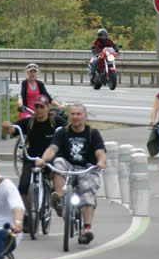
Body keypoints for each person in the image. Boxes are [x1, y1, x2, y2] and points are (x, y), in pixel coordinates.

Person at [35, 103, 106, 245]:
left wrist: (101, 162)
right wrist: (43, 159)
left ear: (85, 116)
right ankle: (59, 198)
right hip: (68, 167)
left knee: (87, 190)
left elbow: (100, 151)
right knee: (59, 162)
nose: (75, 117)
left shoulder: (92, 132)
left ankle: (87, 229)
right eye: (73, 114)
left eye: (78, 114)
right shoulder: (62, 132)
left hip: (86, 169)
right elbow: (53, 148)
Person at [1, 94, 67, 221]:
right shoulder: (29, 122)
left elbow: (69, 129)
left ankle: (57, 197)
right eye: (36, 106)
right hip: (31, 158)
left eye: (42, 107)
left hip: (50, 158)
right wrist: (6, 127)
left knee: (57, 169)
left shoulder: (56, 121)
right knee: (24, 186)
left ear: (47, 107)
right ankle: (28, 214)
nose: (39, 110)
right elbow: (11, 130)